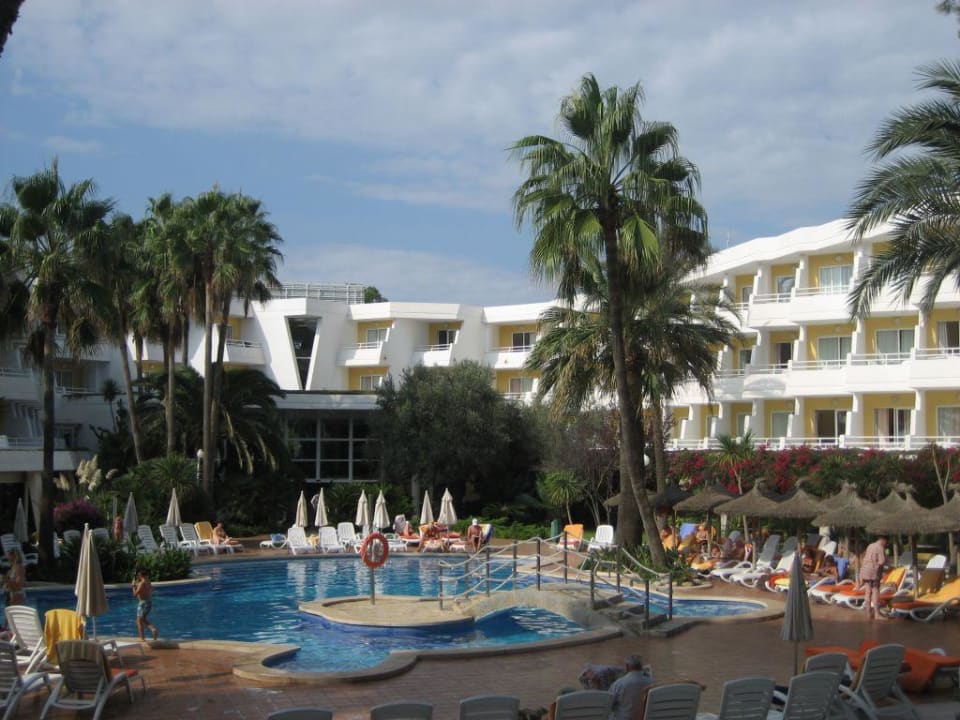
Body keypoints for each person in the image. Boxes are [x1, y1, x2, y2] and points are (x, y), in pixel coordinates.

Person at [608, 654, 653, 720]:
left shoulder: (618, 684)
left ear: (627, 666)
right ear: (641, 667)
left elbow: (607, 704)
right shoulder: (652, 682)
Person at [860, 534, 888, 619]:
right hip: (873, 571)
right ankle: (877, 614)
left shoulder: (870, 545)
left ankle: (868, 612)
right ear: (883, 540)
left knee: (868, 591)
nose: (886, 545)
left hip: (865, 569)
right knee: (875, 591)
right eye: (886, 543)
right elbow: (882, 561)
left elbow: (865, 558)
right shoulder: (880, 547)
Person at [132, 569, 158, 640]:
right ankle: (152, 630)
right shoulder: (148, 582)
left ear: (140, 575)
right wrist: (136, 584)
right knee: (142, 619)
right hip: (149, 602)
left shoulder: (141, 583)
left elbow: (135, 594)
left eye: (138, 576)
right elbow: (151, 590)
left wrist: (133, 587)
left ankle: (143, 637)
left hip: (142, 603)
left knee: (139, 621)